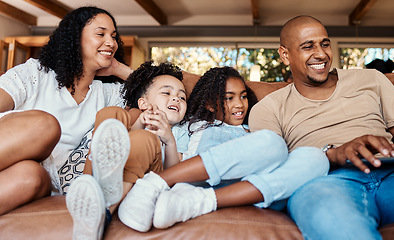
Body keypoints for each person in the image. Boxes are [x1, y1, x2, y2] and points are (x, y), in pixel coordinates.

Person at [249, 15, 394, 239]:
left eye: (325, 43)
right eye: (308, 46)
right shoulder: (267, 109)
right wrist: (333, 154)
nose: (321, 54)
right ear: (285, 55)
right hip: (327, 184)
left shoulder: (372, 79)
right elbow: (271, 173)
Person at [117, 66, 329, 232]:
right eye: (229, 98)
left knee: (316, 158)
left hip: (255, 191)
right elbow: (169, 157)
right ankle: (167, 191)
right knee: (272, 143)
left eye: (244, 96)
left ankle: (197, 203)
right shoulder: (194, 126)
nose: (240, 104)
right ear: (209, 104)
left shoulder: (253, 128)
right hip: (203, 181)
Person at [0, 6, 133, 217]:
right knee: (45, 126)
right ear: (74, 38)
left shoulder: (109, 95)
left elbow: (155, 94)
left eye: (114, 36)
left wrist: (119, 69)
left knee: (33, 176)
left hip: (41, 177)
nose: (111, 42)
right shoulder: (37, 74)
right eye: (101, 34)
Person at [66, 60, 188, 240]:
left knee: (145, 138)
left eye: (182, 97)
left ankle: (102, 211)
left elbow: (174, 173)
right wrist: (140, 122)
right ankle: (88, 184)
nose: (176, 98)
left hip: (149, 182)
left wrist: (169, 140)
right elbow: (122, 143)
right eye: (166, 92)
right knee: (111, 114)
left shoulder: (182, 132)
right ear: (144, 103)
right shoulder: (134, 117)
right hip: (111, 173)